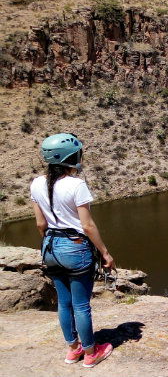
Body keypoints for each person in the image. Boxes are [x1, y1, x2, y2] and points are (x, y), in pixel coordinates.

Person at [30, 133, 115, 368]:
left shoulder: (36, 183)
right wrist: (105, 253)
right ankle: (90, 353)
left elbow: (40, 224)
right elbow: (87, 225)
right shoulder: (76, 185)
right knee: (80, 305)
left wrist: (52, 244)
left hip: (50, 247)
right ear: (72, 157)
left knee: (64, 303)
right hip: (75, 247)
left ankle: (72, 349)